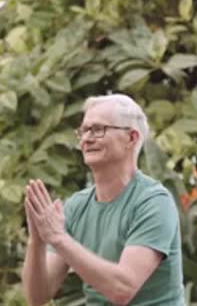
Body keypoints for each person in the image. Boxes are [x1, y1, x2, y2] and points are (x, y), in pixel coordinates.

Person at [21, 94, 184, 305]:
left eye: (98, 130)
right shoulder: (76, 206)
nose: (86, 139)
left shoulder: (154, 202)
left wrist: (59, 238)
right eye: (84, 131)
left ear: (131, 138)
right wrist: (37, 240)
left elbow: (122, 290)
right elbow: (37, 297)